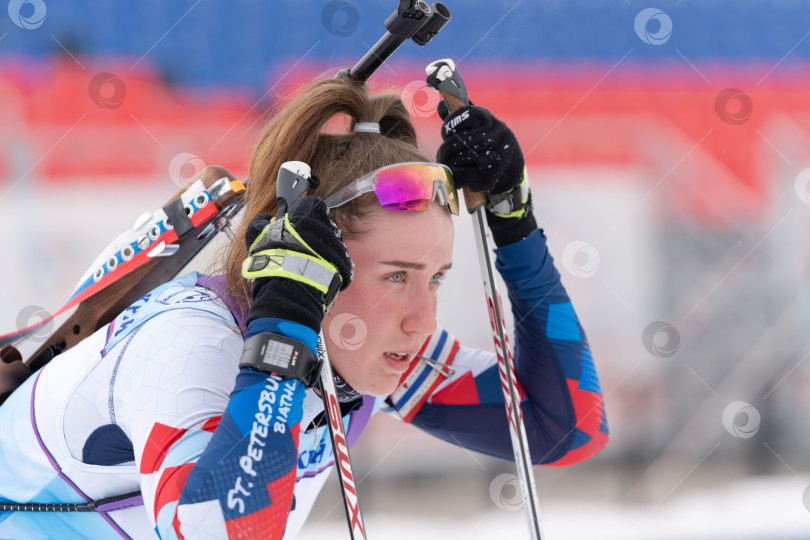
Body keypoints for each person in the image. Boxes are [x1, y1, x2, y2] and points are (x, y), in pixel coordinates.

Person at [0, 76, 608, 539]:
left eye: (437, 278)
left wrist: (517, 231)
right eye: (396, 276)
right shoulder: (188, 343)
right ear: (319, 264)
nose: (423, 318)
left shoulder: (351, 342)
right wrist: (288, 324)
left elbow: (565, 428)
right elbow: (220, 530)